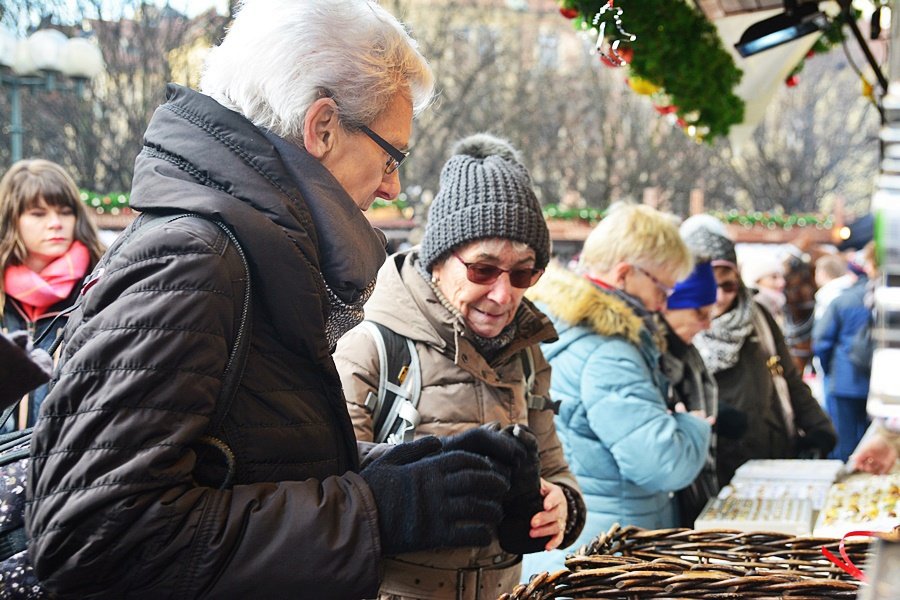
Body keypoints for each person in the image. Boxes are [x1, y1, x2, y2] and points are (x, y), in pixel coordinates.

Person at [26, 2, 526, 598]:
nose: (392, 184)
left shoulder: (240, 250)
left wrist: (407, 470)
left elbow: (241, 465)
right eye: (391, 155)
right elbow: (95, 541)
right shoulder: (197, 257)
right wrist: (378, 509)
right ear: (322, 127)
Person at [335, 133, 585, 599]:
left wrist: (563, 508)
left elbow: (557, 470)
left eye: (523, 273)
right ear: (438, 259)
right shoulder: (369, 344)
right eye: (483, 269)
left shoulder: (528, 355)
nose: (503, 294)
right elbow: (327, 509)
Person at [523, 203, 711, 575]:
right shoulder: (609, 352)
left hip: (581, 544)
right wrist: (693, 427)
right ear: (625, 274)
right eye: (663, 287)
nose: (665, 301)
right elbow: (661, 463)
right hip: (611, 554)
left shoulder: (569, 327)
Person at [687, 217, 837, 487]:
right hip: (708, 467)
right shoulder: (679, 322)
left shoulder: (759, 315)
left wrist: (819, 432)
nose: (719, 297)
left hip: (769, 453)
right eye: (709, 286)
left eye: (728, 285)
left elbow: (789, 378)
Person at [0, 159, 105, 429]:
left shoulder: (100, 291)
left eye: (65, 211)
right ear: (12, 219)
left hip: (68, 462)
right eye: (38, 213)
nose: (55, 223)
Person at [658, 259, 721, 527]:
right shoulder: (652, 358)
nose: (707, 325)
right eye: (699, 313)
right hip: (664, 504)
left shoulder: (687, 353)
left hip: (691, 494)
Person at [812, 242, 876, 462]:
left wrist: (829, 367)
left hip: (843, 380)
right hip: (874, 382)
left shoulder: (841, 301)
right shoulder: (881, 298)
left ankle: (843, 490)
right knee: (872, 440)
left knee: (845, 443)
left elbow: (821, 341)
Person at [740, 252, 786, 327]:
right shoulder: (751, 312)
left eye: (781, 277)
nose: (782, 283)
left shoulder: (774, 308)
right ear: (757, 281)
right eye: (774, 277)